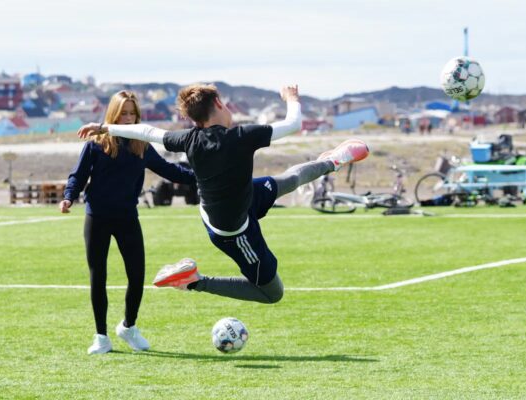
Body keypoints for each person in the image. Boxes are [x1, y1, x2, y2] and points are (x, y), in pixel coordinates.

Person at [77, 84, 368, 304]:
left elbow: (148, 132)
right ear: (218, 103)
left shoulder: (189, 138)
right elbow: (293, 124)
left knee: (288, 180)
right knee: (272, 293)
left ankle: (334, 160)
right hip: (232, 229)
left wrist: (104, 126)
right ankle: (194, 281)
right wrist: (291, 97)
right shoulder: (240, 137)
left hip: (240, 199)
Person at [61, 90, 196, 354]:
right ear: (113, 114)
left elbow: (171, 171)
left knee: (137, 276)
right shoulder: (96, 143)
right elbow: (78, 175)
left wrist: (202, 175)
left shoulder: (141, 145)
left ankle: (128, 326)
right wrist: (68, 197)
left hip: (127, 218)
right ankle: (101, 337)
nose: (128, 118)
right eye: (123, 113)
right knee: (98, 276)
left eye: (132, 113)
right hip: (97, 217)